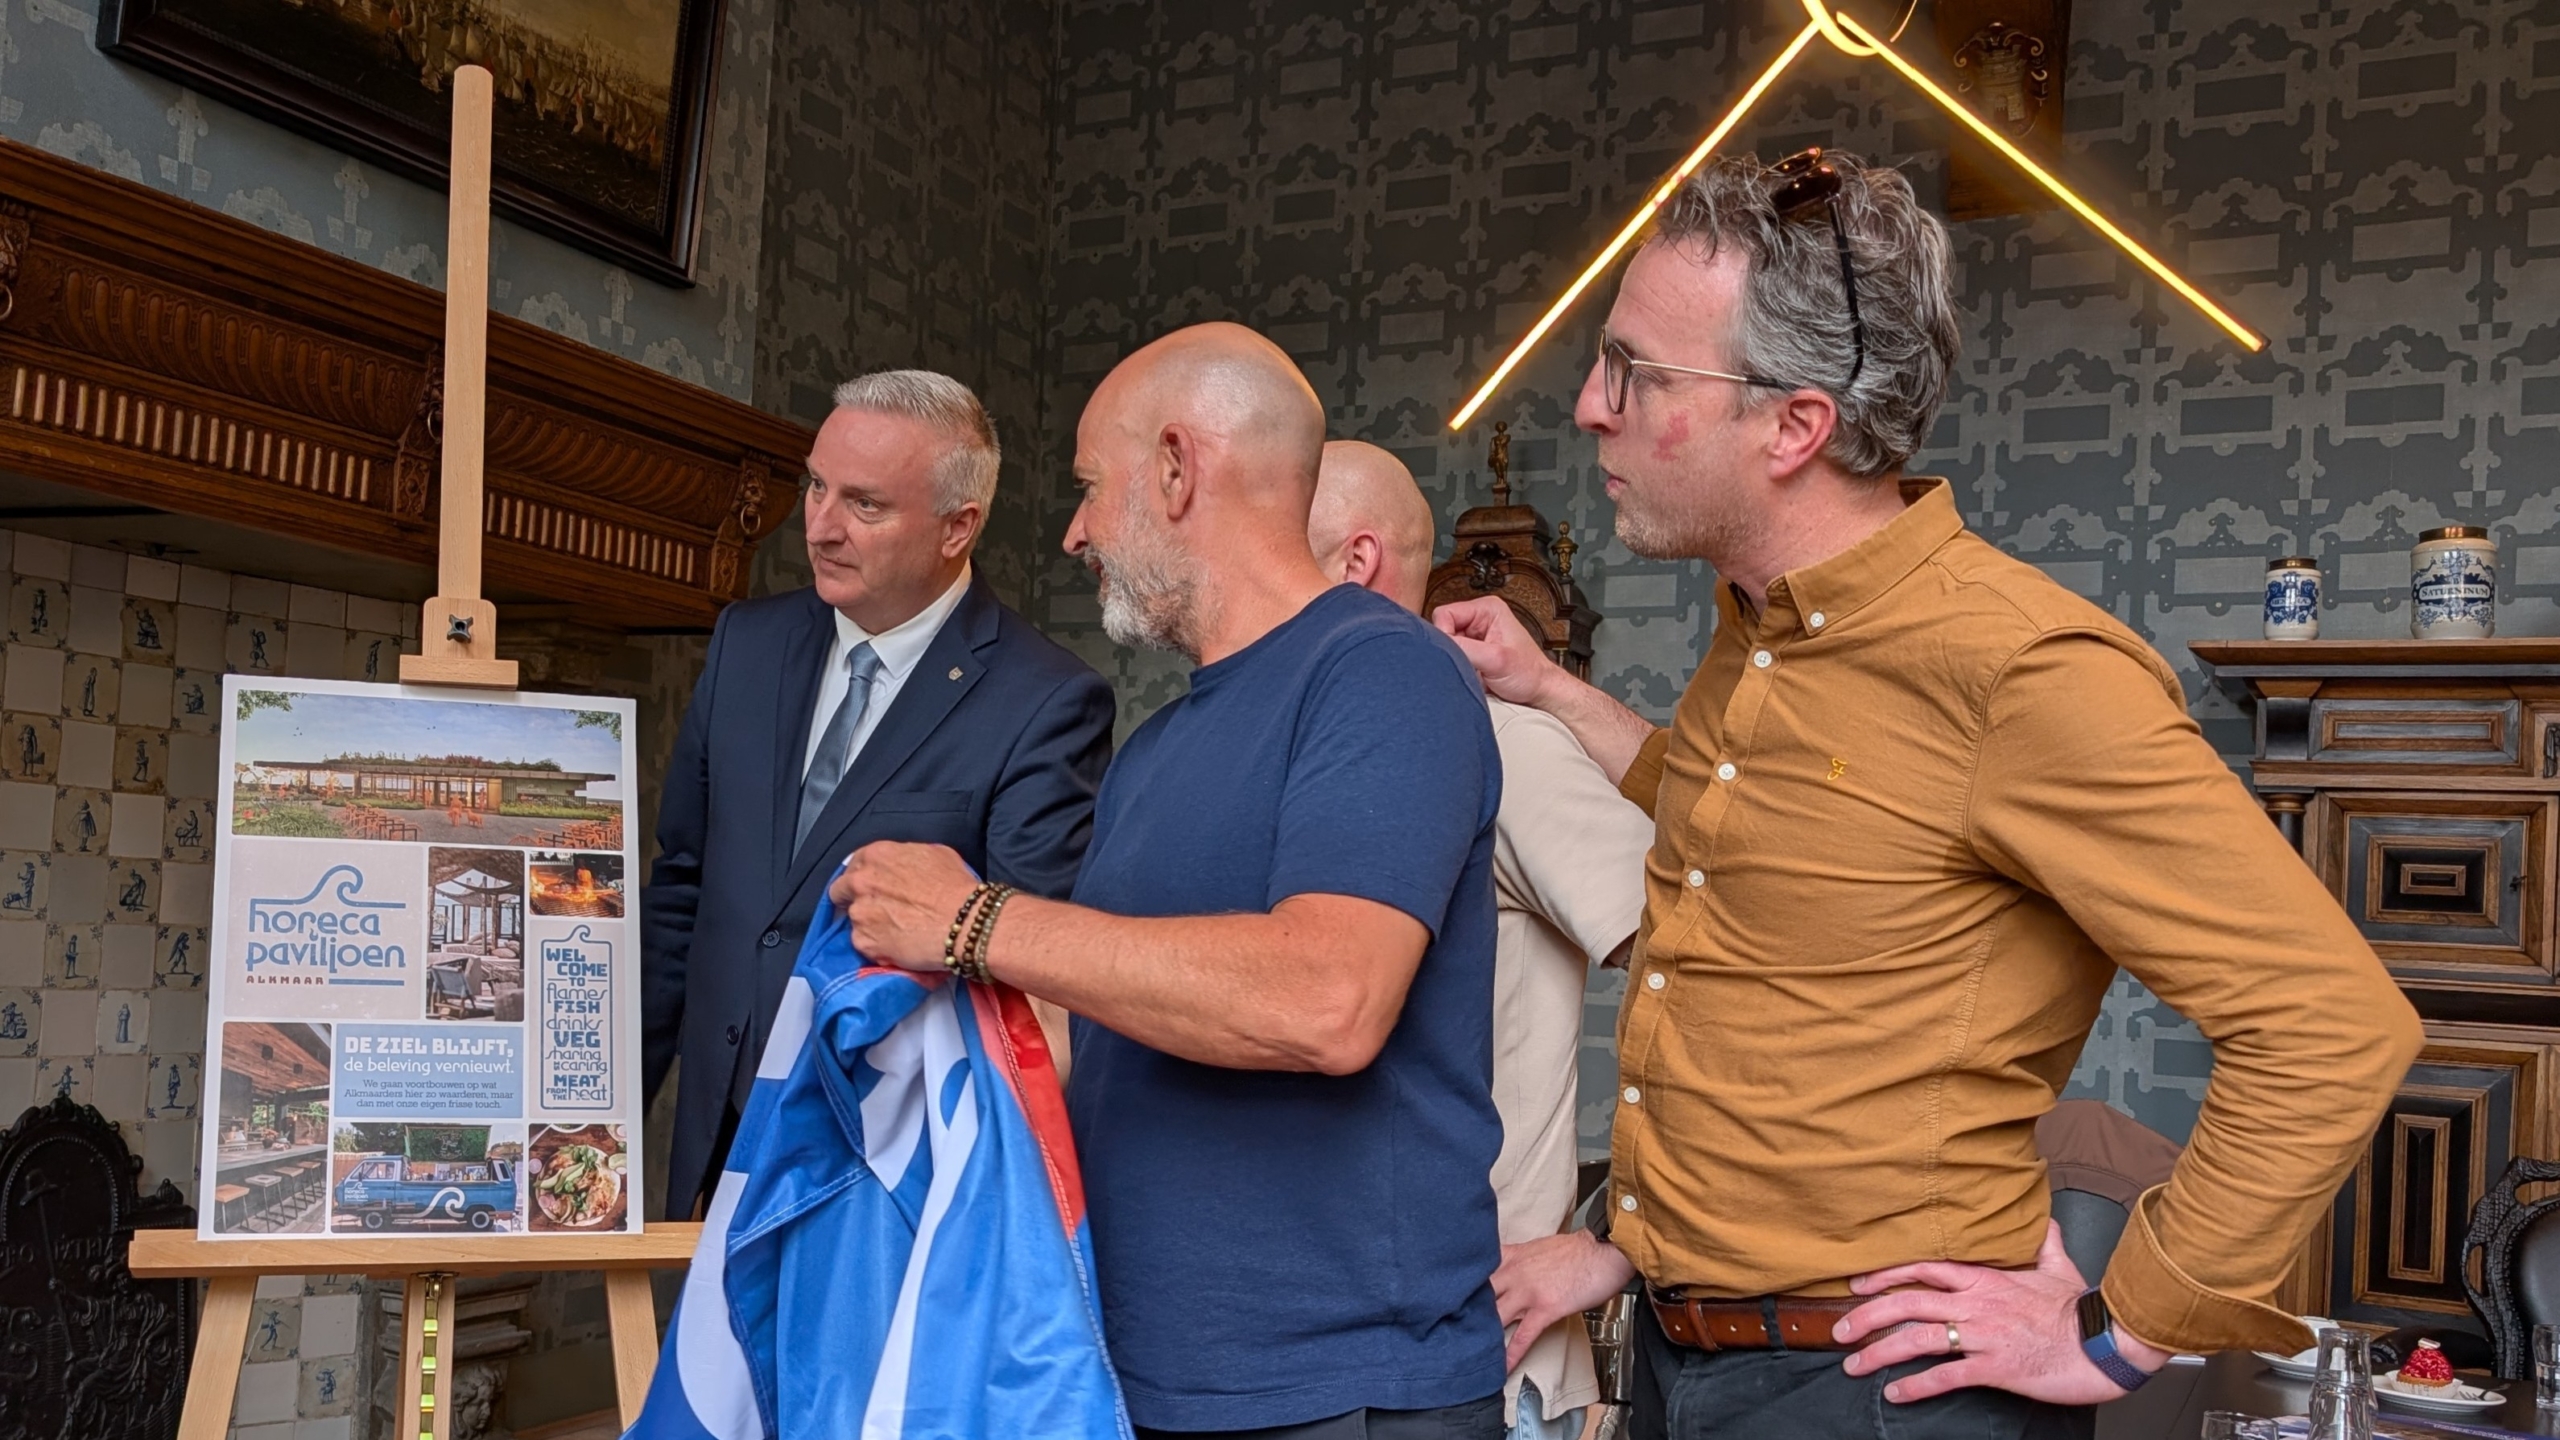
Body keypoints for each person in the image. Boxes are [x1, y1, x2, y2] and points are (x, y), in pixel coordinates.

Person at [1436, 151, 2423, 1440]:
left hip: (1884, 1397)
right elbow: (1762, 831)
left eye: (1637, 372)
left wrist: (2120, 1331)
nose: (1587, 407)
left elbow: (2329, 1021)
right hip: (1694, 1365)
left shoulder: (2023, 671)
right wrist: (1550, 693)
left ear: (1794, 426)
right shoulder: (1763, 627)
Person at [829, 323, 1509, 1439]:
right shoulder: (1154, 748)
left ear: (1179, 469)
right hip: (1138, 1375)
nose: (1074, 531)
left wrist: (974, 920)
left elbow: (1326, 999)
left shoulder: (1384, 670)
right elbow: (1095, 1024)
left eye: (1090, 487)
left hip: (1339, 1397)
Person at [642, 369, 1115, 1221]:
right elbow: (683, 894)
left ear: (957, 526)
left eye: (864, 504)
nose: (820, 526)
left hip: (882, 1180)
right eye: (816, 486)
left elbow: (1029, 983)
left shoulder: (1046, 703)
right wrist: (592, 1122)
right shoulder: (746, 643)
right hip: (716, 1149)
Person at [1310, 440, 1653, 1440]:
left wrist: (1617, 1239)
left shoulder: (1506, 748)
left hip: (1480, 1366)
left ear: (1355, 565)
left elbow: (1724, 981)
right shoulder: (1305, 763)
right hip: (1308, 1363)